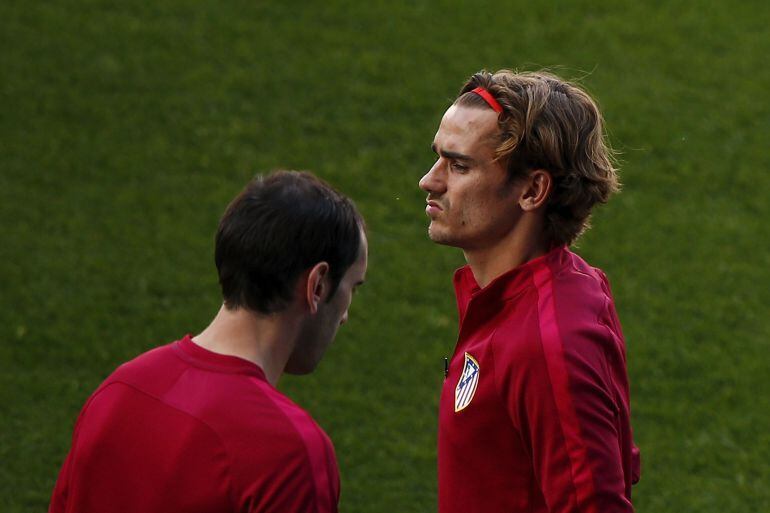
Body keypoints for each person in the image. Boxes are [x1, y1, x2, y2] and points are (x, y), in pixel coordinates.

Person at [49, 170, 367, 513]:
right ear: (317, 285)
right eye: (353, 287)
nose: (346, 314)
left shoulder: (119, 390)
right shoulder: (288, 454)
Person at [419, 70, 641, 513]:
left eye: (459, 165)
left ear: (533, 190)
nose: (430, 180)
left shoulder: (548, 342)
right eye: (438, 159)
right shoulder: (517, 298)